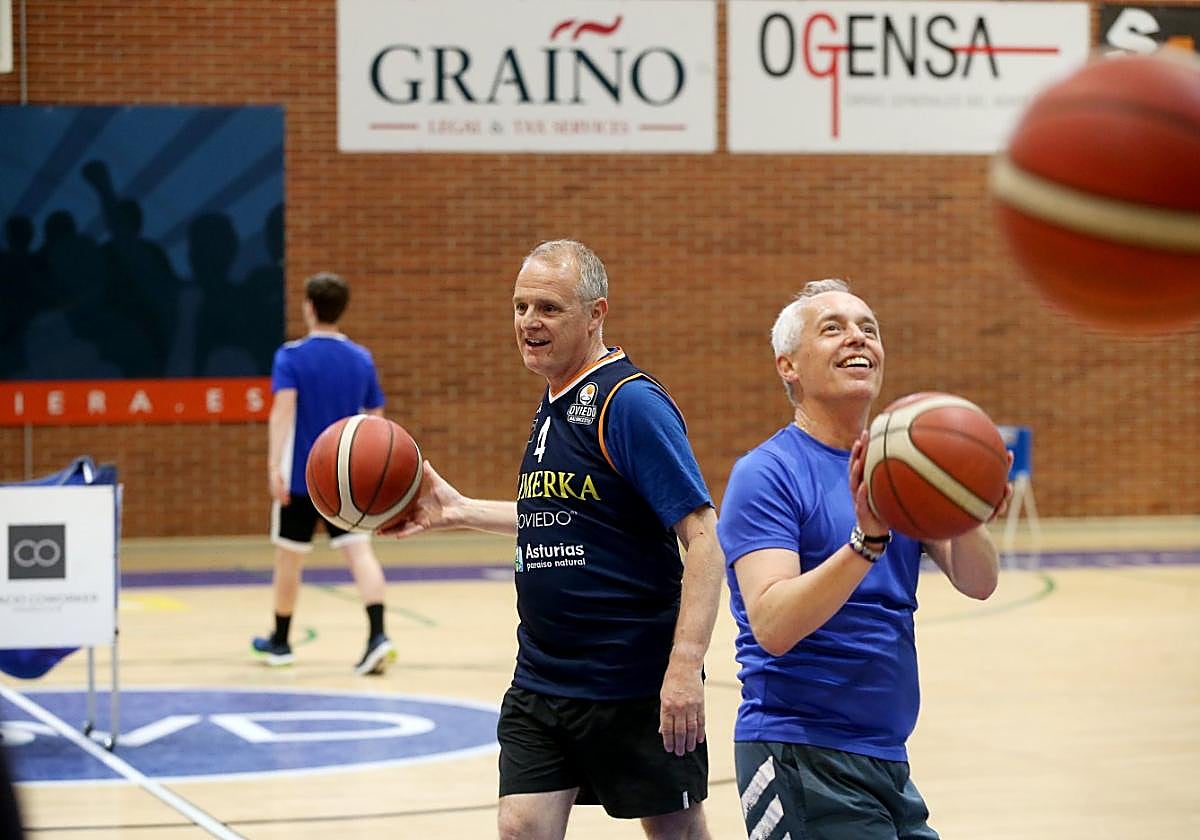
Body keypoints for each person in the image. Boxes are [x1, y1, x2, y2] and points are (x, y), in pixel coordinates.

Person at [385, 240, 725, 839]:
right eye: (519, 307)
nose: (528, 322)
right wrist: (458, 510)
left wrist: (684, 667)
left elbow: (703, 537)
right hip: (543, 679)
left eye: (548, 307)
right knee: (521, 828)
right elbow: (564, 515)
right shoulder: (553, 404)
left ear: (596, 314)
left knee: (674, 831)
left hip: (630, 680)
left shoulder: (629, 403)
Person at [717, 279, 1010, 840]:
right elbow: (773, 625)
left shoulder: (903, 467)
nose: (858, 338)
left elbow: (980, 583)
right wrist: (865, 543)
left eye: (868, 328)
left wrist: (970, 510)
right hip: (799, 754)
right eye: (833, 328)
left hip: (887, 758)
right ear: (789, 366)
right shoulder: (767, 473)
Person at [253, 271, 396, 676]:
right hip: (346, 480)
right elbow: (376, 419)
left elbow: (283, 411)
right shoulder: (361, 358)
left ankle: (280, 642)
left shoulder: (291, 356)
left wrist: (273, 466)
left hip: (300, 477)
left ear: (310, 307)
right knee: (360, 553)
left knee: (289, 559)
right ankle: (378, 636)